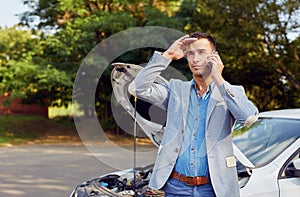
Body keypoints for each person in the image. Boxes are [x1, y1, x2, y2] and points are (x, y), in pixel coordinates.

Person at [128, 32, 259, 197]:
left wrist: (218, 78)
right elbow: (137, 88)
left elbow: (248, 118)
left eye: (201, 52)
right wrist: (167, 55)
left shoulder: (229, 92)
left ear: (214, 57)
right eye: (190, 53)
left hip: (214, 189)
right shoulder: (175, 89)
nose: (195, 59)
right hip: (174, 187)